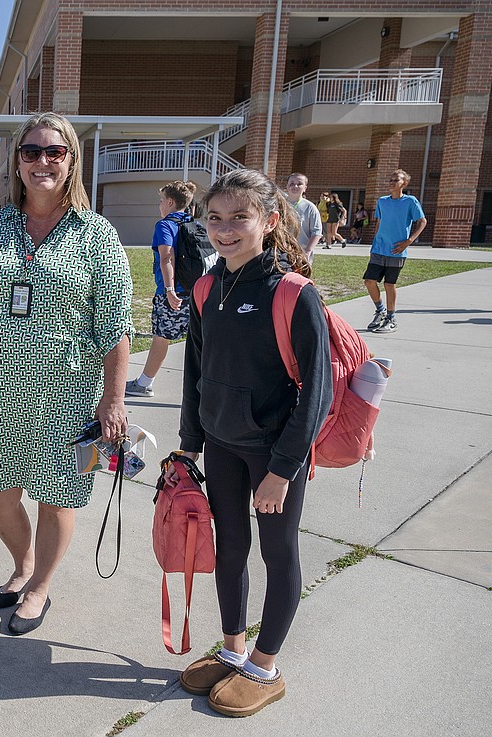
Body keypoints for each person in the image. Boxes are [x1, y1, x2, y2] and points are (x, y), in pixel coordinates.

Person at [0, 112, 133, 635]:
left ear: (71, 160)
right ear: (17, 162)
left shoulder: (97, 237)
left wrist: (113, 399)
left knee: (57, 497)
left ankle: (40, 586)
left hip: (69, 397)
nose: (42, 161)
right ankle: (23, 562)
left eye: (54, 151)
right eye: (31, 151)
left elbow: (116, 325)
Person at [176, 168, 332, 717]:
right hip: (221, 445)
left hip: (272, 452)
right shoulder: (206, 287)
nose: (224, 229)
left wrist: (283, 468)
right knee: (230, 549)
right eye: (215, 218)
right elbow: (196, 373)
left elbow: (317, 392)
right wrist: (189, 445)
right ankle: (233, 650)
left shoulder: (293, 293)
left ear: (268, 220)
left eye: (238, 217)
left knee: (277, 552)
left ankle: (265, 667)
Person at [126, 180, 198, 399]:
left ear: (170, 202)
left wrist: (169, 289)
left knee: (161, 337)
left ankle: (144, 384)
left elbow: (167, 256)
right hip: (196, 291)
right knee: (197, 340)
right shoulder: (195, 224)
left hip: (172, 293)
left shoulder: (165, 225)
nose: (159, 205)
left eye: (161, 200)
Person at [364, 169, 426, 334]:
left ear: (404, 183)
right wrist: (375, 242)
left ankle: (391, 318)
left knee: (389, 284)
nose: (392, 183)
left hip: (397, 250)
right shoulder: (382, 201)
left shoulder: (410, 201)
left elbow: (422, 221)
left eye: (396, 180)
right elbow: (379, 222)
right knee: (369, 281)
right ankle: (380, 311)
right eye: (390, 180)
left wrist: (409, 241)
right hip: (379, 248)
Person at [283, 172, 322, 262]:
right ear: (287, 187)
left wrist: (307, 252)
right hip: (281, 252)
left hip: (301, 254)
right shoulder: (279, 204)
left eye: (299, 184)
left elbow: (316, 232)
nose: (295, 186)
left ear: (305, 188)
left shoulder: (310, 208)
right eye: (292, 184)